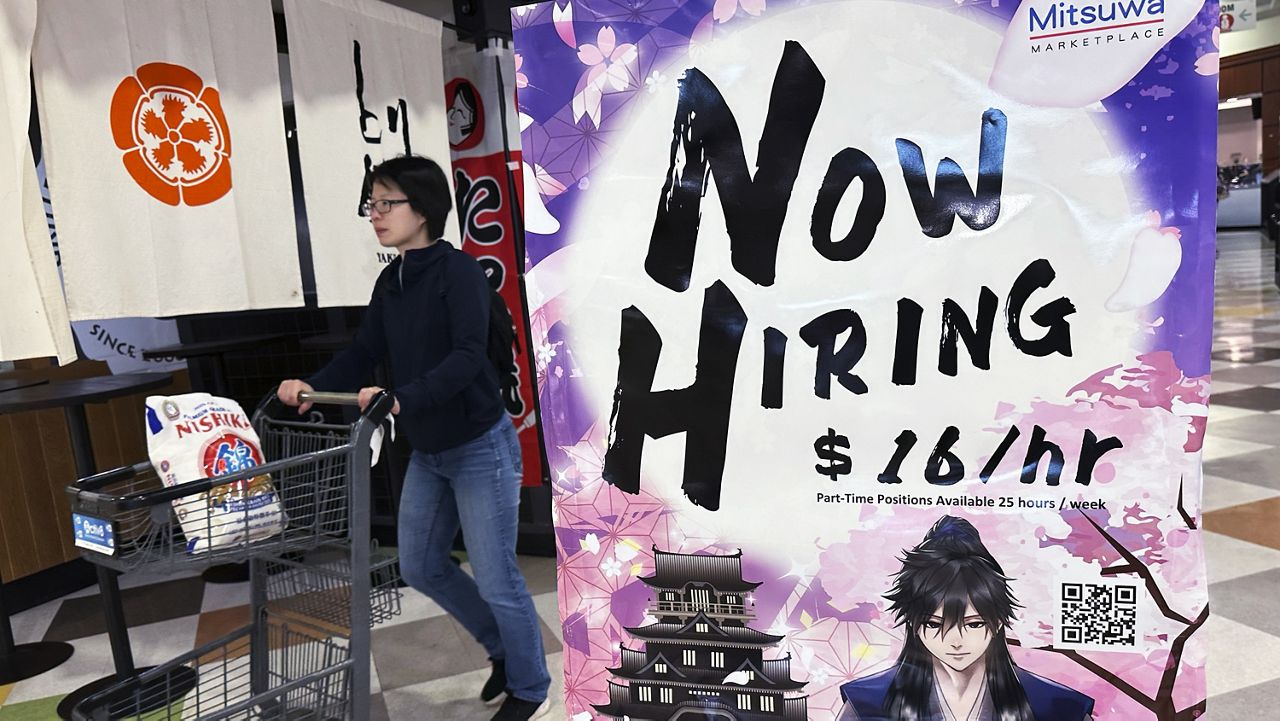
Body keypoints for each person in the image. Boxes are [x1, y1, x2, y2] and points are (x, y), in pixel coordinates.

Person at [277, 155, 551, 721]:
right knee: (421, 565)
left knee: (498, 578)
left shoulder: (459, 274)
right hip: (429, 450)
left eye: (386, 203)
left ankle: (531, 688)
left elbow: (468, 358)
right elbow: (363, 352)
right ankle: (502, 650)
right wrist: (311, 386)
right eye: (371, 204)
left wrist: (403, 398)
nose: (374, 214)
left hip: (480, 447)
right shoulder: (393, 279)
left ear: (421, 209)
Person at [837, 516, 1094, 721]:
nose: (956, 641)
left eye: (973, 624)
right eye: (935, 624)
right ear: (914, 624)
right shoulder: (868, 702)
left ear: (998, 622)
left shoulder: (1056, 707)